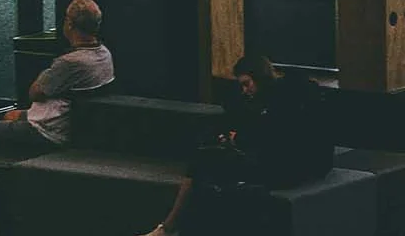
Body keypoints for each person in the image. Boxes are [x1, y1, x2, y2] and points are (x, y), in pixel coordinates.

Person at [136, 55, 332, 236]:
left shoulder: (279, 102)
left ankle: (167, 228)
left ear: (259, 77)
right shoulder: (287, 95)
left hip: (284, 172)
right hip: (298, 167)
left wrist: (237, 140)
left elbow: (274, 140)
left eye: (247, 84)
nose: (245, 90)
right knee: (210, 165)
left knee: (202, 162)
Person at [0, 0, 114, 153]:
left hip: (50, 129)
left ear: (70, 24)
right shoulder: (104, 54)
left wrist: (47, 73)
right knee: (10, 115)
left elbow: (34, 93)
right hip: (67, 119)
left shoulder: (69, 62)